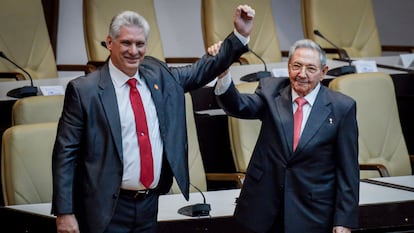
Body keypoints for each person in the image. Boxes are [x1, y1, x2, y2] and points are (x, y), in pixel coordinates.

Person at [52, 5, 255, 233]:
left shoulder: (158, 74)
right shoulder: (84, 90)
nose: (134, 51)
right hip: (105, 208)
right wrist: (64, 212)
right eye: (126, 43)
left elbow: (202, 70)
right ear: (109, 43)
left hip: (149, 205)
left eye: (140, 44)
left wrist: (239, 35)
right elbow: (65, 153)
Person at [211, 39, 359, 233]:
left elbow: (348, 170)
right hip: (262, 209)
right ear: (288, 67)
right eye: (296, 66)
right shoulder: (271, 90)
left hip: (312, 212)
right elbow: (237, 105)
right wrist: (223, 74)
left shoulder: (342, 107)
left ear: (323, 72)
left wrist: (344, 221)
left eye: (310, 68)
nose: (302, 74)